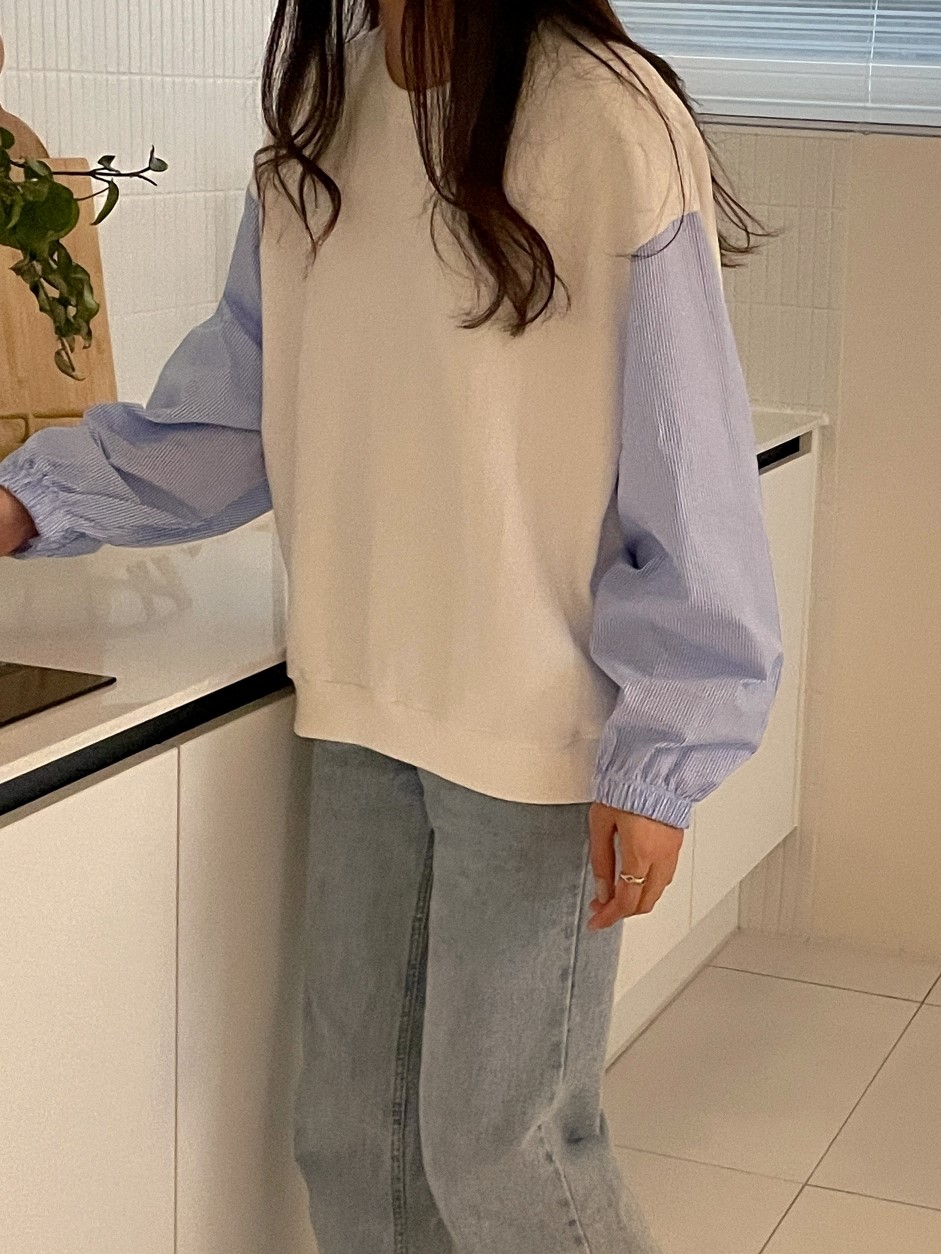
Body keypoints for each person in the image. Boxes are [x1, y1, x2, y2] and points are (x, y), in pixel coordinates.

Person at [0, 2, 785, 1250]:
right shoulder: (323, 118)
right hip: (362, 707)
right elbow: (237, 416)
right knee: (351, 1139)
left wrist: (666, 746)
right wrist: (30, 500)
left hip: (537, 735)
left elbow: (685, 472)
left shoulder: (604, 119)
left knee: (503, 1150)